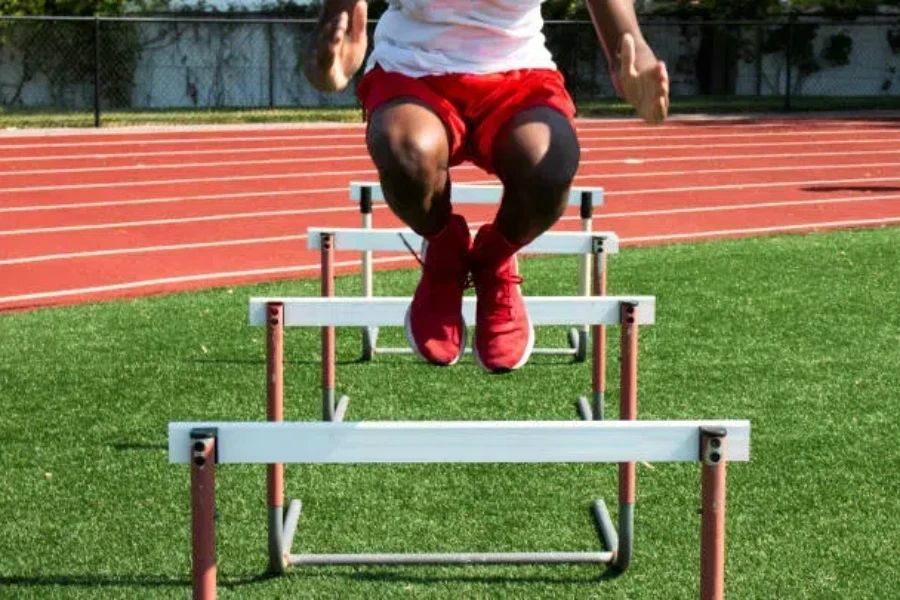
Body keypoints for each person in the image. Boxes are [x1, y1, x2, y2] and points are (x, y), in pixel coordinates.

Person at [304, 0, 669, 374]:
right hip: (413, 69)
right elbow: (335, 34)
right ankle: (445, 252)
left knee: (550, 165)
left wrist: (637, 65)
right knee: (408, 156)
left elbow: (627, 41)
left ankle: (494, 261)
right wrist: (328, 66)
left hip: (518, 72)